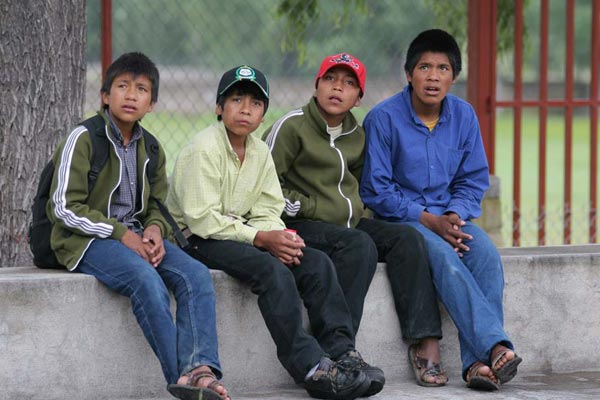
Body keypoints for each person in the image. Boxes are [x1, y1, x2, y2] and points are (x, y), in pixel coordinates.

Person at [166, 65, 379, 399]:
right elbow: (203, 222)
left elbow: (268, 208)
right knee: (270, 269)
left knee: (315, 261)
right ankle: (309, 367)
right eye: (236, 100)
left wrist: (280, 238)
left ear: (263, 114)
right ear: (219, 108)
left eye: (255, 103)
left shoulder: (260, 152)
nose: (245, 109)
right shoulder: (202, 149)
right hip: (194, 239)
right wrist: (263, 240)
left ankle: (341, 354)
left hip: (242, 231)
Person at [48, 52, 229, 400]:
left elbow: (158, 206)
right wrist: (122, 235)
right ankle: (182, 378)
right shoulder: (84, 138)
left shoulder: (153, 149)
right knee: (146, 280)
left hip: (135, 237)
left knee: (196, 276)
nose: (131, 95)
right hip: (86, 239)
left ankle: (201, 368)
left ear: (152, 104)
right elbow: (63, 208)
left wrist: (155, 231)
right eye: (122, 86)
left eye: (142, 89)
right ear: (105, 96)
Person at [263, 52, 447, 388]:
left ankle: (423, 341)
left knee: (406, 238)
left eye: (349, 84)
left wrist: (360, 211)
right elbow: (265, 184)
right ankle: (340, 349)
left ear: (358, 97)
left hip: (348, 223)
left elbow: (364, 184)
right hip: (300, 223)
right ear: (316, 85)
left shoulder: (357, 135)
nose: (338, 88)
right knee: (359, 245)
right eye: (331, 80)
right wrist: (308, 205)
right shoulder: (291, 126)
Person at [360, 29, 523, 391]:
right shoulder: (383, 118)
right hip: (405, 220)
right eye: (424, 67)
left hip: (448, 217)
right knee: (445, 258)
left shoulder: (463, 116)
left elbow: (473, 179)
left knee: (484, 256)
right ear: (408, 74)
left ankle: (476, 365)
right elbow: (376, 190)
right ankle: (495, 346)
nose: (433, 76)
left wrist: (453, 213)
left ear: (454, 75)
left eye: (443, 68)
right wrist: (428, 219)